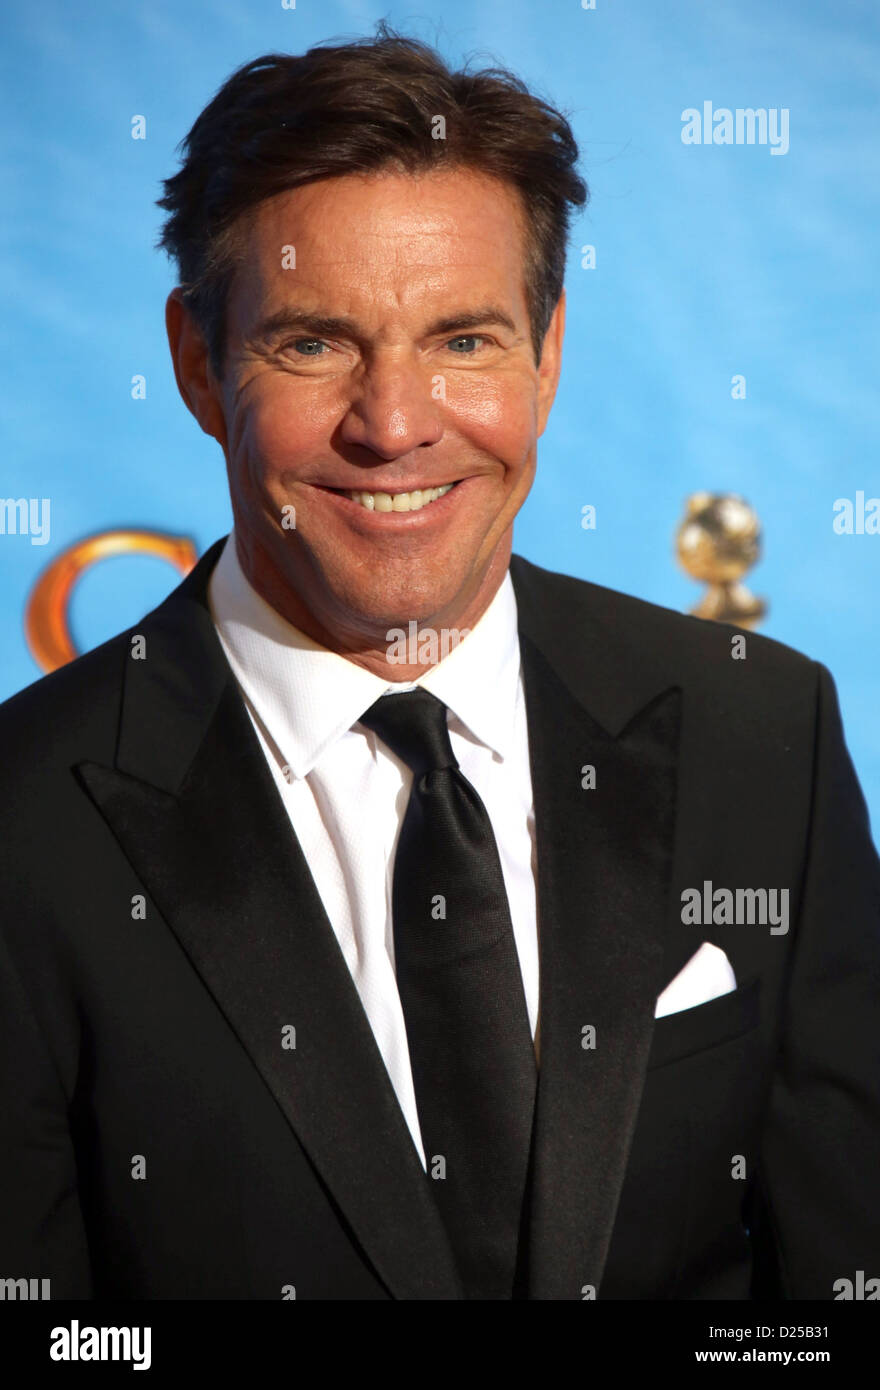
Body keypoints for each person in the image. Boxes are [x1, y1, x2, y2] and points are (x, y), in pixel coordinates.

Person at [1, 23, 878, 1301]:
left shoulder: (764, 731)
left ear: (548, 352)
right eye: (314, 342)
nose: (396, 425)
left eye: (464, 340)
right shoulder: (25, 824)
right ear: (200, 363)